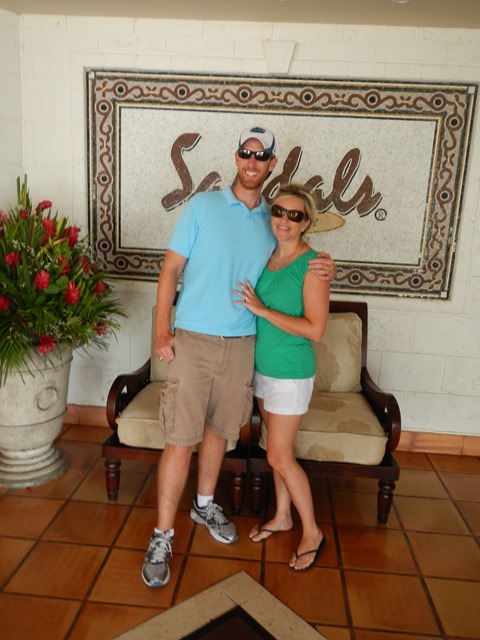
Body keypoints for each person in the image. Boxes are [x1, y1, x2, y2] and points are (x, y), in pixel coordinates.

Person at [142, 127, 336, 588]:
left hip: (243, 344)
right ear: (236, 157)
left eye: (261, 155)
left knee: (217, 432)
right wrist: (162, 329)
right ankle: (162, 535)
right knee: (180, 440)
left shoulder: (272, 220)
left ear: (271, 164)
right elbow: (171, 269)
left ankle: (204, 504)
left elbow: (299, 256)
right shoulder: (203, 206)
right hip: (194, 340)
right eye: (246, 153)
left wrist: (327, 265)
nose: (252, 161)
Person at [234, 183, 329, 572]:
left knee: (278, 455)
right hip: (263, 368)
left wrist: (262, 310)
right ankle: (283, 516)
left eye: (295, 215)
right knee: (274, 448)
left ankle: (313, 532)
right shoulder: (267, 255)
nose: (284, 220)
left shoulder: (314, 265)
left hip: (290, 372)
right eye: (278, 211)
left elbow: (315, 329)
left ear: (306, 223)